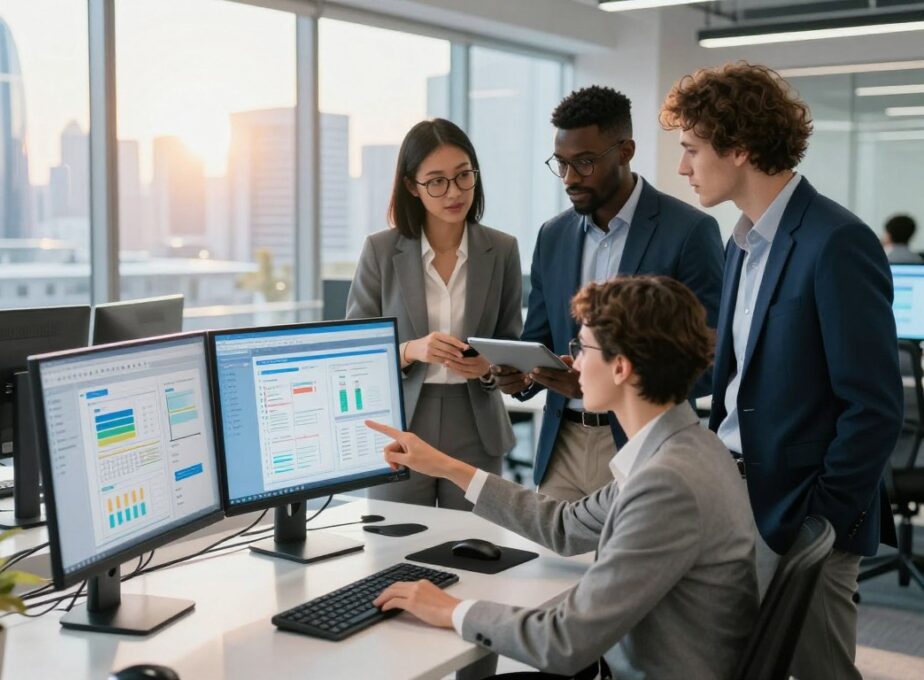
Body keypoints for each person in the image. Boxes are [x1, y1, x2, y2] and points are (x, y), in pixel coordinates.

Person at [367, 276, 758, 679]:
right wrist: (446, 466)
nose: (572, 363)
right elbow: (565, 526)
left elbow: (564, 642)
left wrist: (451, 610)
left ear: (621, 367)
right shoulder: (690, 447)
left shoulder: (667, 483)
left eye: (582, 348)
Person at [660, 61, 903, 680]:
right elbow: (743, 380)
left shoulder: (836, 241)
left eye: (691, 149)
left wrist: (820, 521)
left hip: (800, 517)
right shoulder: (741, 243)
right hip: (735, 501)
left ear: (738, 147)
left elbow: (873, 407)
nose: (683, 167)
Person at [491, 86, 723, 502]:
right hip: (560, 445)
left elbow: (711, 355)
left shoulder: (688, 232)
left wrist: (615, 385)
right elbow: (539, 338)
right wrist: (521, 375)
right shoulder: (553, 235)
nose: (570, 178)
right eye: (560, 164)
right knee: (545, 566)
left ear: (625, 151)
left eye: (584, 162)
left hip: (643, 447)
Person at [347, 118, 522, 509]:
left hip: (477, 422)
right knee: (395, 547)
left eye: (463, 177)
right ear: (412, 185)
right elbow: (355, 351)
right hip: (405, 422)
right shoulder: (380, 250)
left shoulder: (502, 249)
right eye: (437, 181)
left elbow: (511, 344)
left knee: (475, 549)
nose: (454, 192)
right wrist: (412, 350)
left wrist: (489, 368)